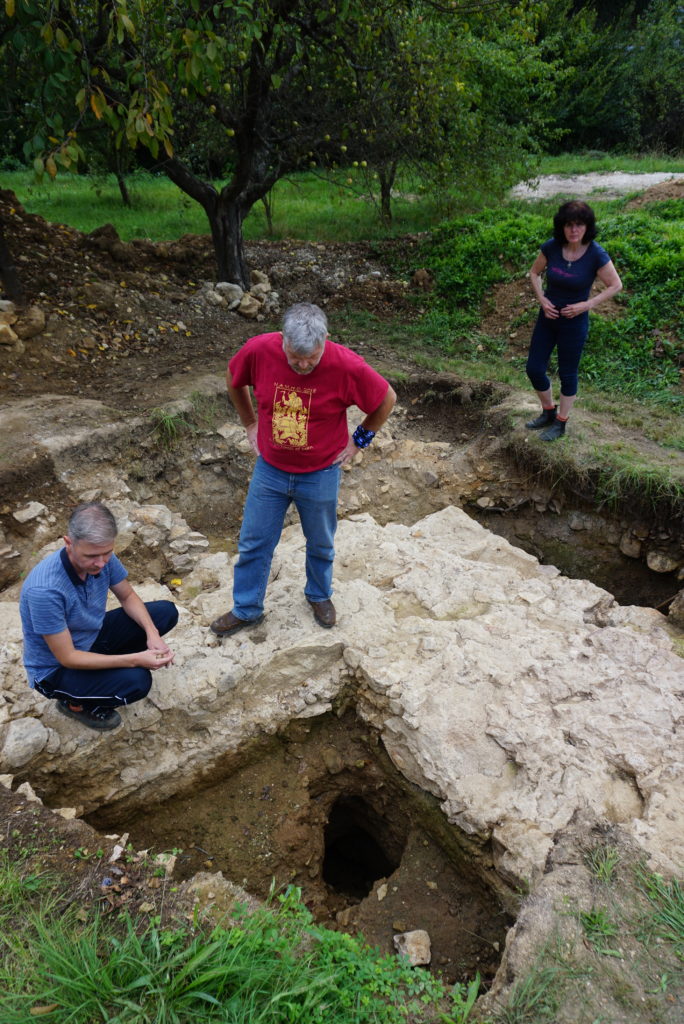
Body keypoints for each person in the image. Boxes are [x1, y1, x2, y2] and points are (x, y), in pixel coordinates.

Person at [210, 302, 396, 636]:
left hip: (321, 471)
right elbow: (233, 376)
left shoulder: (347, 365)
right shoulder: (259, 350)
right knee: (254, 542)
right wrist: (250, 422)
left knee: (321, 542)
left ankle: (319, 595)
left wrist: (359, 440)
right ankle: (246, 608)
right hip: (271, 469)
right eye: (295, 356)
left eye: (312, 356)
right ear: (281, 339)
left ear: (326, 338)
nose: (303, 364)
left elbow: (386, 399)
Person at [20, 502, 178, 731]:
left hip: (90, 636)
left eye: (107, 553)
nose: (101, 563)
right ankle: (74, 704)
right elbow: (68, 658)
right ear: (68, 543)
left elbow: (128, 596)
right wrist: (135, 659)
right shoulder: (45, 590)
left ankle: (108, 668)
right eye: (92, 556)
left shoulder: (101, 556)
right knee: (137, 682)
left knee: (165, 613)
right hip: (57, 669)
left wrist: (152, 635)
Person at [525, 200, 622, 440]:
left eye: (580, 224)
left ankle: (561, 423)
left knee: (568, 373)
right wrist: (542, 300)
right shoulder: (552, 247)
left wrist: (586, 305)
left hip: (574, 323)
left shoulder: (596, 254)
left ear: (587, 227)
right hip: (548, 318)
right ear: (562, 226)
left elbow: (616, 285)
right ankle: (548, 411)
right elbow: (534, 273)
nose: (574, 230)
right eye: (569, 225)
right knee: (534, 368)